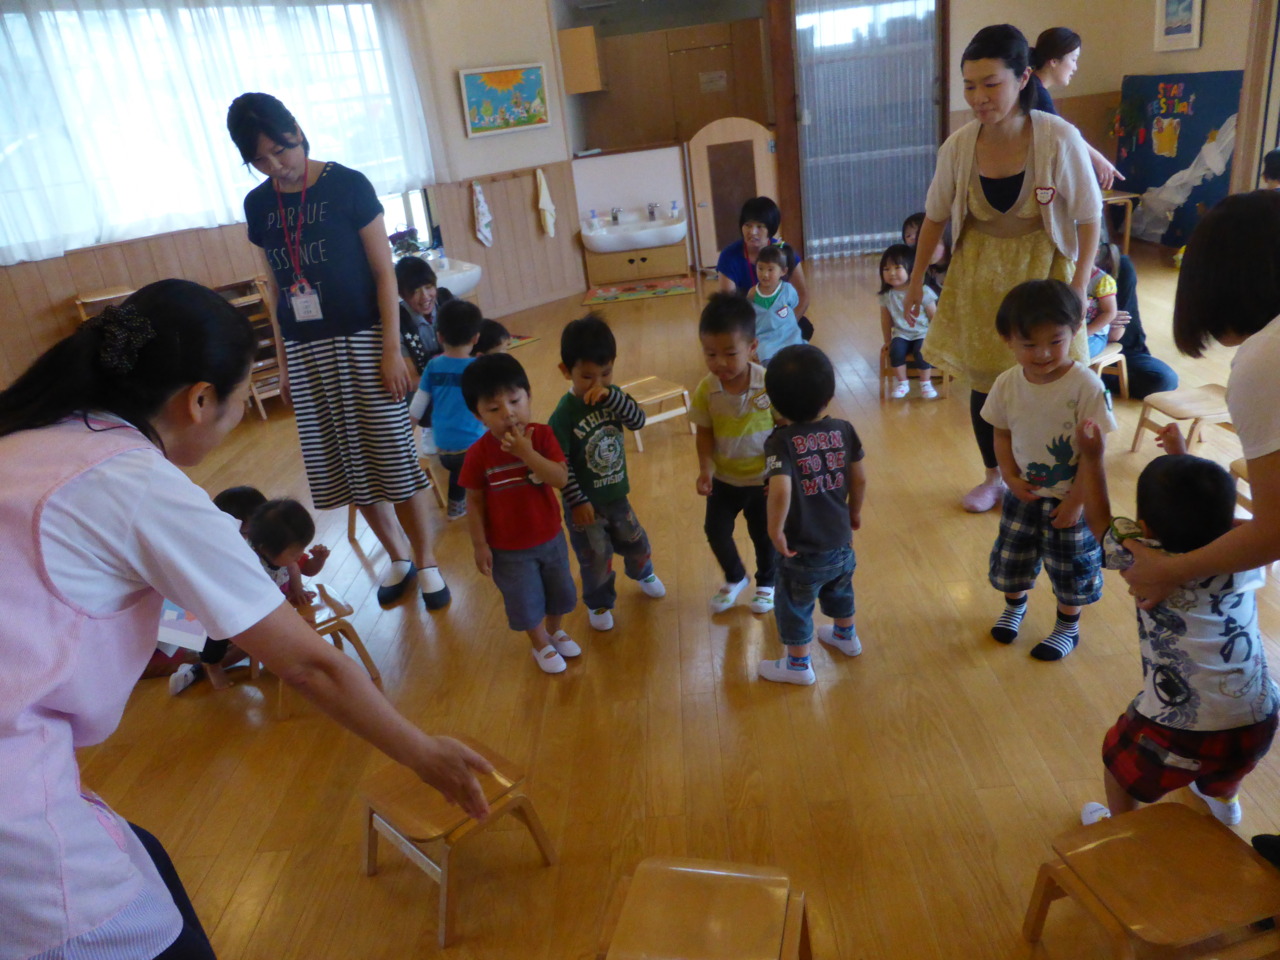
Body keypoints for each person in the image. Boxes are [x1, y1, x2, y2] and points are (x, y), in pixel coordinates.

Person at [0, 279, 491, 960]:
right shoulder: (136, 485)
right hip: (18, 818)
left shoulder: (27, 437)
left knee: (147, 855)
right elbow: (310, 664)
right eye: (237, 403)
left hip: (30, 762)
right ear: (200, 400)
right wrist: (422, 753)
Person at [227, 92, 449, 612]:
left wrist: (391, 350)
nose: (275, 165)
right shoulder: (259, 206)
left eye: (281, 150)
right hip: (306, 351)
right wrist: (285, 364)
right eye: (260, 159)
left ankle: (428, 560)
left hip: (364, 340)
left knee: (393, 457)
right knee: (346, 464)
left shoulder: (348, 185)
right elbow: (277, 289)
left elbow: (384, 274)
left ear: (298, 132)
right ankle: (398, 557)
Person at [905, 24, 1101, 513]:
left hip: (1044, 275)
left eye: (991, 83)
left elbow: (1089, 216)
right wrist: (914, 282)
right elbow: (934, 217)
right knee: (987, 383)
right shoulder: (958, 146)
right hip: (978, 277)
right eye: (970, 86)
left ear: (1023, 78)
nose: (979, 97)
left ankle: (1062, 474)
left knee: (1055, 376)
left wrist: (1080, 285)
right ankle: (995, 477)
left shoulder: (1058, 138)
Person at [1072, 418, 1277, 827]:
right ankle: (1225, 804)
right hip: (1259, 713)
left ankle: (1120, 830)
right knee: (1228, 762)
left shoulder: (1145, 558)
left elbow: (1099, 522)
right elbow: (1213, 519)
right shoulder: (1246, 557)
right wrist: (1183, 459)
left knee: (1119, 763)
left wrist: (1092, 457)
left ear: (1146, 529)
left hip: (1181, 725)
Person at [981, 279, 1115, 661]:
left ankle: (1067, 627)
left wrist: (1076, 502)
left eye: (1055, 341)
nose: (1042, 354)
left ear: (1075, 330)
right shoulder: (1007, 383)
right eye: (1029, 345)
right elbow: (1001, 432)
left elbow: (1094, 455)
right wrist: (1008, 476)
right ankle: (1014, 608)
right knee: (1013, 560)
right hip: (1022, 495)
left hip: (1072, 502)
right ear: (1007, 340)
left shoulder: (1086, 386)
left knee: (1071, 569)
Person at [459, 354, 581, 675]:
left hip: (550, 536)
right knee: (525, 600)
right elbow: (474, 501)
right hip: (508, 550)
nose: (508, 413)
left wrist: (527, 452)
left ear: (529, 396)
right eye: (494, 409)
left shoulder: (542, 437)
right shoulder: (478, 454)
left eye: (515, 401)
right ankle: (540, 642)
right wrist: (479, 545)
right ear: (478, 415)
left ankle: (554, 630)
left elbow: (560, 478)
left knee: (561, 591)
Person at [758, 344, 867, 685]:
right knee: (840, 588)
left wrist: (775, 530)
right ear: (828, 396)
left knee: (794, 603)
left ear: (774, 403)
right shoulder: (844, 429)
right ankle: (846, 636)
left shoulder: (780, 441)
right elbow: (859, 478)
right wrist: (854, 512)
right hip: (840, 541)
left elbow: (780, 489)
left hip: (801, 549)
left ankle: (797, 665)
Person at [549, 315, 666, 632]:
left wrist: (613, 396)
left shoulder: (613, 396)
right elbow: (561, 464)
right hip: (583, 503)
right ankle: (598, 603)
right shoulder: (564, 414)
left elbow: (638, 421)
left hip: (616, 495)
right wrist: (577, 501)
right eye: (587, 376)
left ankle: (643, 572)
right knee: (596, 556)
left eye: (606, 373)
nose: (597, 383)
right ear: (566, 371)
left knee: (635, 539)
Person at [691, 294, 779, 616]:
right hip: (724, 479)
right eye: (710, 354)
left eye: (730, 354)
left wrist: (780, 473)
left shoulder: (767, 383)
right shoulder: (707, 389)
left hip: (761, 481)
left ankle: (767, 582)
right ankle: (735, 576)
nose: (720, 363)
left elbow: (783, 428)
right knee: (715, 531)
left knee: (763, 536)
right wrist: (705, 469)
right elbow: (704, 432)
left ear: (752, 347)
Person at [408, 299, 487, 520]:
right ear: (475, 338)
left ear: (439, 336)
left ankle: (455, 508)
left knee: (458, 472)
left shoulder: (433, 366)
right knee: (480, 474)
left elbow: (418, 403)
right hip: (473, 445)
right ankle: (484, 507)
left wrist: (406, 434)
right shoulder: (476, 368)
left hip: (443, 446)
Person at [1029, 27, 1124, 190]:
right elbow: (1064, 134)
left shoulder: (1034, 87)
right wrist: (1098, 160)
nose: (1075, 67)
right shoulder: (1036, 92)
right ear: (1054, 61)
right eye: (1073, 59)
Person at [716, 196, 814, 341]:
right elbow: (728, 304)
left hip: (780, 318)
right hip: (749, 319)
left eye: (760, 226)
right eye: (748, 225)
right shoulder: (729, 256)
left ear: (771, 229)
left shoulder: (784, 252)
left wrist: (786, 327)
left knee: (805, 327)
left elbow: (803, 296)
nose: (752, 232)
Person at [1101, 242, 1178, 398]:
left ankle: (1094, 379)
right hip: (1076, 347)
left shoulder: (1120, 266)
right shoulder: (1061, 269)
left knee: (1165, 380)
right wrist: (1101, 319)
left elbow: (1115, 335)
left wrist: (1101, 320)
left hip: (1121, 349)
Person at [878, 243, 939, 398]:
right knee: (896, 351)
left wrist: (937, 338)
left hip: (922, 333)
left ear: (911, 269)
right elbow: (885, 320)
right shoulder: (887, 296)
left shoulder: (923, 291)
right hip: (901, 334)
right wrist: (887, 340)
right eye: (886, 269)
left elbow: (934, 316)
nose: (891, 273)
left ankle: (926, 383)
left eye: (897, 267)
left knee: (922, 352)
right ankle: (902, 383)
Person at [749, 244, 803, 364]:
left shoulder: (788, 290)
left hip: (788, 334)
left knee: (800, 356)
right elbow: (748, 316)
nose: (764, 274)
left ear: (783, 271)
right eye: (760, 268)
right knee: (766, 356)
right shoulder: (753, 293)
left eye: (770, 269)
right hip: (765, 338)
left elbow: (794, 305)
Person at [1082, 250, 1119, 358]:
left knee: (1075, 356)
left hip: (1095, 335)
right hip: (1068, 333)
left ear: (1095, 251)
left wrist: (1085, 333)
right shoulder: (1063, 275)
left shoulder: (1102, 281)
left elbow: (1109, 312)